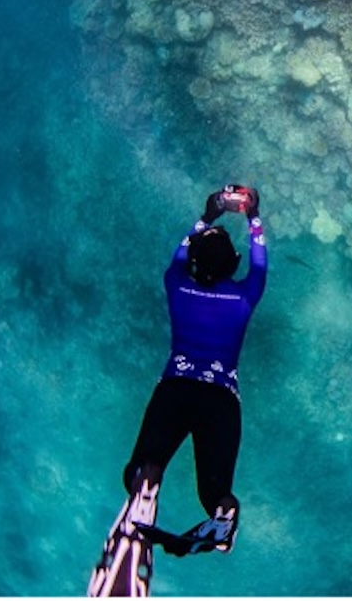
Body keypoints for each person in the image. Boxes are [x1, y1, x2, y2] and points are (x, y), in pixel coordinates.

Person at [88, 185, 266, 597]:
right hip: (221, 399)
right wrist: (253, 218)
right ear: (233, 265)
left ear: (192, 266)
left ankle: (146, 486)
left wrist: (207, 217)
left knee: (142, 465)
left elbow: (180, 256)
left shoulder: (175, 284)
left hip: (175, 390)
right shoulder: (244, 296)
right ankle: (222, 514)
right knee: (213, 489)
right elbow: (259, 265)